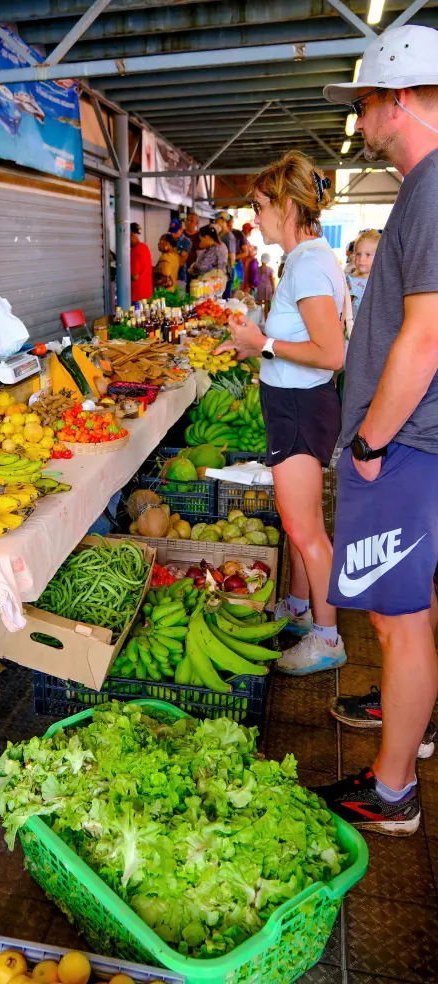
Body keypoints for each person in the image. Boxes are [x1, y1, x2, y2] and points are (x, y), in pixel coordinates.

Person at [314, 24, 438, 835]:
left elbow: (425, 335)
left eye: (363, 104)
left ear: (398, 97)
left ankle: (390, 793)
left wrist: (369, 442)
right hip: (415, 443)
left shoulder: (432, 185)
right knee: (412, 608)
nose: (358, 121)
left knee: (396, 623)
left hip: (405, 444)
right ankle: (410, 726)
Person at [223, 150, 347, 676]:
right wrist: (259, 347)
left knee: (305, 530)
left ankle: (328, 637)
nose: (255, 217)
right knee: (299, 526)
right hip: (293, 403)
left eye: (259, 205)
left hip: (300, 407)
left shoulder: (311, 262)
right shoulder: (304, 260)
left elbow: (332, 352)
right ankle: (298, 611)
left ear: (287, 206)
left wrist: (263, 341)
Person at [346, 229, 380, 321]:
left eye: (368, 254)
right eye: (358, 254)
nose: (361, 259)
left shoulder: (383, 282)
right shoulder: (352, 283)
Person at [129, 223, 153, 303]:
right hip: (147, 294)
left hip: (138, 296)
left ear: (131, 234)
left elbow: (135, 276)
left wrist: (122, 277)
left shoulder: (135, 250)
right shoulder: (144, 247)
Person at [168, 218, 192, 291]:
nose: (172, 234)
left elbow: (181, 262)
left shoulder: (186, 242)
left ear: (181, 229)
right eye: (171, 231)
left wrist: (173, 251)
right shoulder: (169, 239)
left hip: (180, 278)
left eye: (175, 231)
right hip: (168, 277)